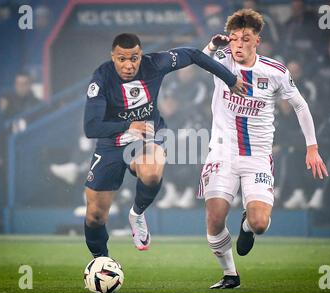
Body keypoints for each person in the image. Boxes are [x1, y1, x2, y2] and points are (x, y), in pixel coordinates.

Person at [83, 33, 251, 258]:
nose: (129, 65)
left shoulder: (155, 64)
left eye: (134, 58)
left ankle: (137, 213)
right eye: (122, 59)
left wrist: (230, 79)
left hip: (148, 135)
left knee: (152, 172)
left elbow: (191, 55)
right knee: (95, 215)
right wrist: (128, 125)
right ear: (113, 57)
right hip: (111, 143)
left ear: (140, 56)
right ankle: (101, 262)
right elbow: (91, 127)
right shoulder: (101, 78)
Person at [198, 9, 328, 288]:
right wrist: (212, 45)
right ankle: (230, 274)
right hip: (223, 152)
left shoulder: (275, 72)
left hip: (257, 157)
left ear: (257, 40)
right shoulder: (222, 61)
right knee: (215, 215)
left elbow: (300, 105)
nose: (238, 45)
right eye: (233, 39)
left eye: (245, 39)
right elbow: (200, 59)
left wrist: (312, 147)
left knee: (259, 223)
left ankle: (247, 226)